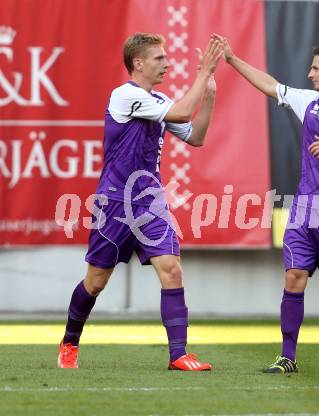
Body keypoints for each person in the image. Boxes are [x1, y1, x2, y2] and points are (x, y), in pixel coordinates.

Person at [214, 34, 319, 374]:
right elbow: (271, 86)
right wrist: (232, 60)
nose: (310, 74)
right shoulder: (308, 101)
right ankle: (287, 357)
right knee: (294, 276)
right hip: (303, 209)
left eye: (315, 68)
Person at [58, 33, 222, 370]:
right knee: (96, 281)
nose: (166, 63)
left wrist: (209, 97)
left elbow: (197, 137)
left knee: (172, 270)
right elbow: (181, 112)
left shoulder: (156, 100)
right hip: (115, 202)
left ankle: (179, 354)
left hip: (150, 202)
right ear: (138, 63)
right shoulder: (124, 95)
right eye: (159, 58)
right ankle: (69, 342)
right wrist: (203, 72)